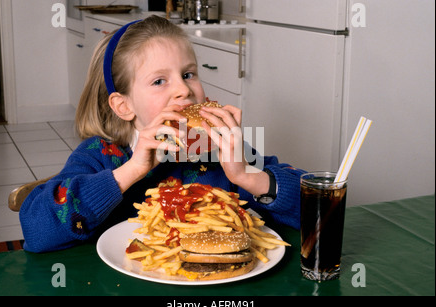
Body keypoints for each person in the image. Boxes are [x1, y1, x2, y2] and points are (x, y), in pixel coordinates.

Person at [19, 16, 305, 253]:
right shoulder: (101, 155)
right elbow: (35, 230)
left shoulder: (223, 151)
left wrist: (246, 176)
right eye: (159, 81)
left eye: (188, 74)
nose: (183, 90)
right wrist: (130, 171)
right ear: (124, 105)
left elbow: (317, 210)